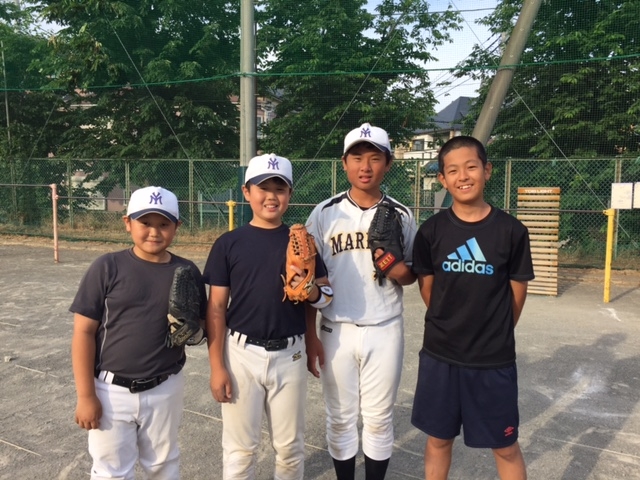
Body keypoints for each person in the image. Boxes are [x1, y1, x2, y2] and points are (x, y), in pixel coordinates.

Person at [410, 135, 534, 480]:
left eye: (471, 167)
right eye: (453, 170)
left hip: (492, 359)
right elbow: (428, 289)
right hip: (441, 355)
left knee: (505, 446)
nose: (463, 176)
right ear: (442, 179)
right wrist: (451, 323)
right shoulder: (431, 231)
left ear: (487, 170)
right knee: (438, 440)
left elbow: (517, 295)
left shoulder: (511, 231)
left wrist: (493, 331)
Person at [204, 153, 332, 480]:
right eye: (263, 188)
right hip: (240, 353)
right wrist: (217, 366)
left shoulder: (303, 242)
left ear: (290, 194)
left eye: (280, 188)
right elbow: (216, 308)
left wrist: (311, 304)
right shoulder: (229, 243)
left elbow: (324, 296)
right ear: (247, 192)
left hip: (291, 353)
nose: (271, 196)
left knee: (290, 448)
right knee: (240, 449)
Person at [70, 185, 207, 479]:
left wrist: (193, 329)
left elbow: (200, 326)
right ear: (128, 223)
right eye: (145, 222)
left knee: (164, 465)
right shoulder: (107, 267)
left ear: (177, 226)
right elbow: (83, 332)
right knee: (111, 471)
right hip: (110, 390)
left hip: (165, 386)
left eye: (164, 224)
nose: (154, 232)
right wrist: (86, 395)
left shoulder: (186, 271)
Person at [305, 123, 417, 480]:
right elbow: (308, 279)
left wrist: (397, 269)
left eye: (374, 158)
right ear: (344, 163)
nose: (365, 166)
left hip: (385, 327)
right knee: (340, 417)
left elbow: (412, 275)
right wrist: (310, 336)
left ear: (388, 163)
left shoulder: (401, 214)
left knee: (379, 418)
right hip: (335, 328)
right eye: (356, 157)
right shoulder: (324, 213)